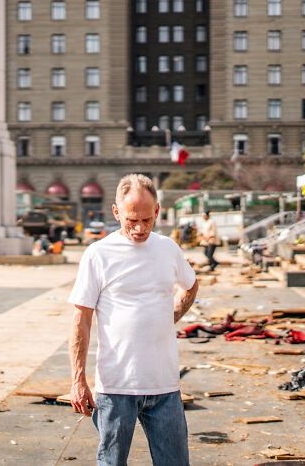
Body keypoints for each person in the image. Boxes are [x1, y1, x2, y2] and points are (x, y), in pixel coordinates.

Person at [69, 174, 199, 466]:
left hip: (164, 385)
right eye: (131, 220)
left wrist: (172, 315)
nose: (140, 229)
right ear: (116, 212)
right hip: (116, 387)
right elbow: (81, 320)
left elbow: (191, 286)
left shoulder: (168, 249)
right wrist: (78, 379)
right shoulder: (98, 254)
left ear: (157, 211)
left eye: (147, 220)